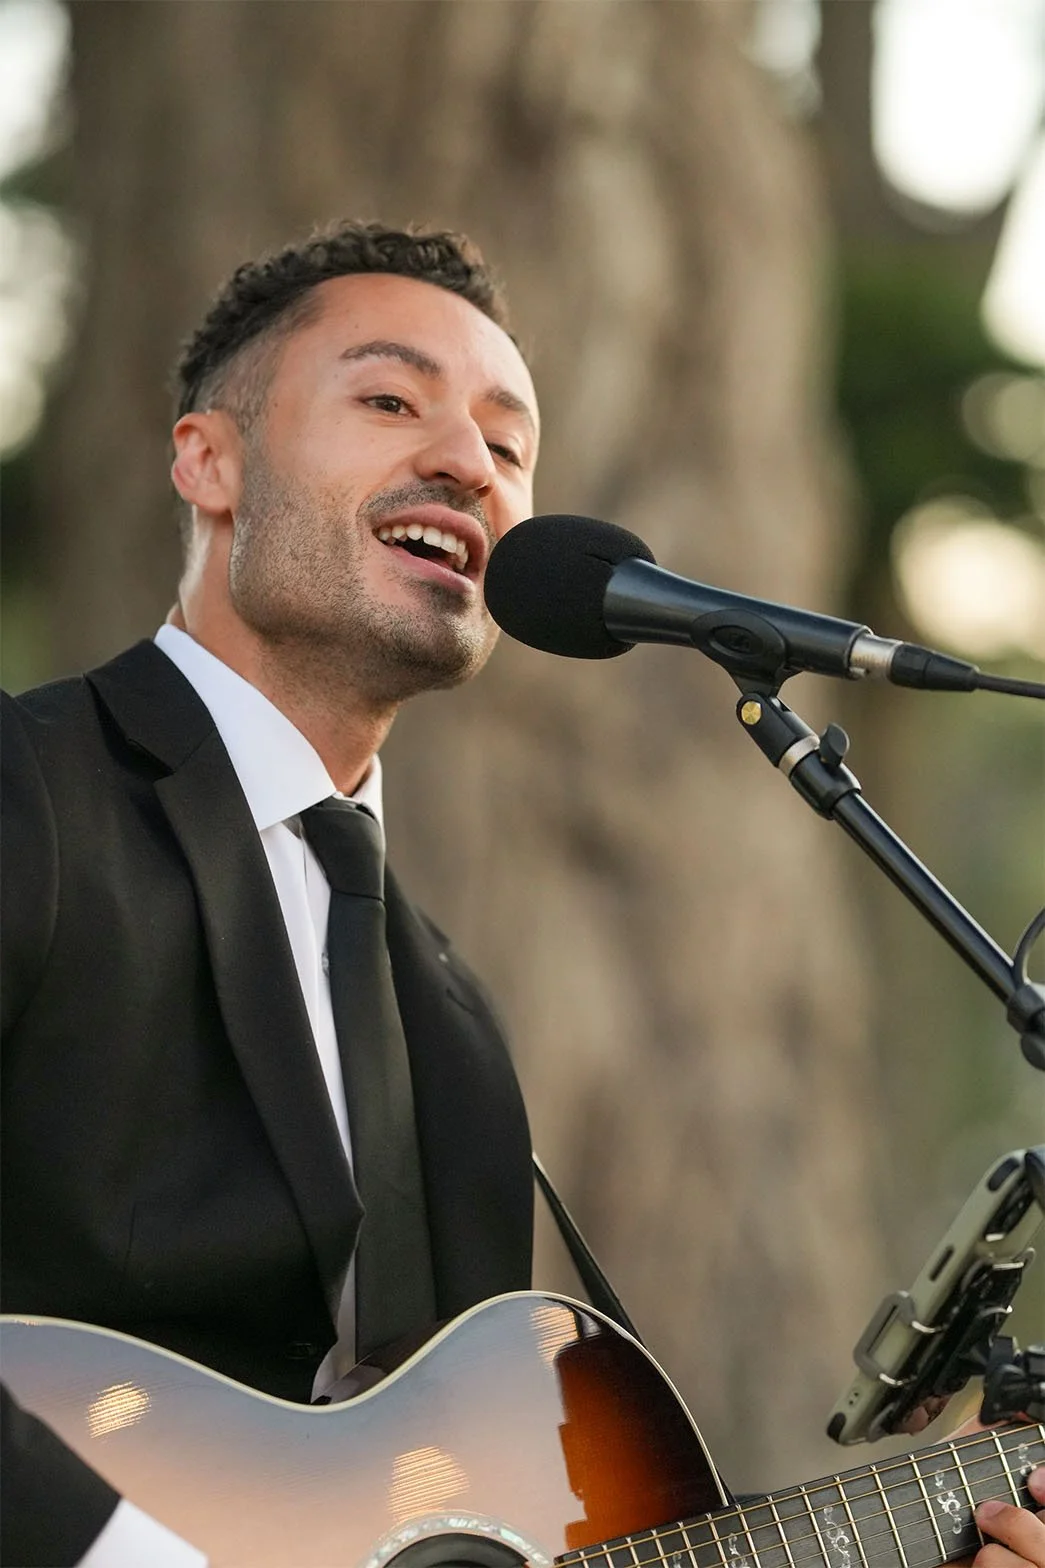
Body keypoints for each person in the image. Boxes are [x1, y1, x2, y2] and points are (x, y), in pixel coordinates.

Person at [2, 221, 1043, 1568]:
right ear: (209, 460)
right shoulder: (27, 796)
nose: (465, 463)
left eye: (507, 446)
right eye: (389, 400)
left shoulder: (451, 1029)